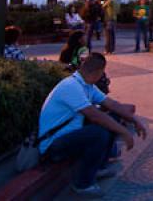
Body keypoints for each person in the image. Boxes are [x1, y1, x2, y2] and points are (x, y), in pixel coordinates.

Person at [38, 53, 146, 197]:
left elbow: (112, 104)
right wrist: (124, 132)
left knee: (113, 117)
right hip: (53, 145)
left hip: (70, 137)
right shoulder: (71, 86)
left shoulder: (86, 85)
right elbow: (94, 115)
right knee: (99, 133)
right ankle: (82, 184)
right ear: (99, 72)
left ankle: (98, 167)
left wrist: (135, 120)